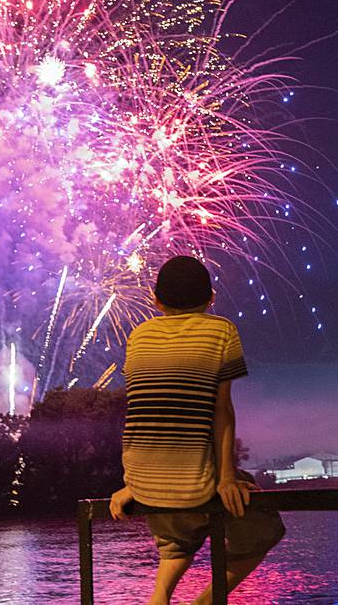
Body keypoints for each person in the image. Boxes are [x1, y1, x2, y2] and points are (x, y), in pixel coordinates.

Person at [109, 255, 285, 605]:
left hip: (143, 482)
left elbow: (147, 410)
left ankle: (159, 597)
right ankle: (204, 603)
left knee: (176, 545)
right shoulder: (222, 331)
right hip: (194, 484)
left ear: (154, 299)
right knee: (265, 530)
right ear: (211, 299)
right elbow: (222, 410)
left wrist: (132, 484)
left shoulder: (138, 336)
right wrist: (225, 478)